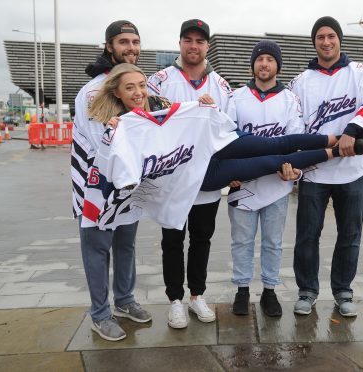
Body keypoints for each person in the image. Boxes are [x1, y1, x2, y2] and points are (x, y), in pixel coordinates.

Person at [83, 63, 342, 230]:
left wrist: (205, 107)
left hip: (214, 147)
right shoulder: (118, 127)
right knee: (271, 163)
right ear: (117, 93)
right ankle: (334, 152)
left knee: (274, 144)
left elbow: (188, 114)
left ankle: (334, 140)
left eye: (141, 85)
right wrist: (114, 134)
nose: (138, 92)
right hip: (201, 175)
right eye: (130, 88)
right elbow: (115, 173)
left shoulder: (160, 103)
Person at [288, 16, 363, 317]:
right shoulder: (301, 81)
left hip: (352, 170)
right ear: (314, 42)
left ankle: (343, 290)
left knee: (349, 234)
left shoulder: (360, 72)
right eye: (320, 37)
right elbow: (293, 123)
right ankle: (307, 290)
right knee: (307, 235)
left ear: (339, 39)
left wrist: (351, 132)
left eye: (331, 36)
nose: (326, 42)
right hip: (315, 172)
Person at [147, 19, 232, 329]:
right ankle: (175, 300)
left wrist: (229, 172)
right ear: (179, 43)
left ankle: (197, 295)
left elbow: (228, 132)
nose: (193, 45)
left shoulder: (220, 85)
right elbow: (148, 122)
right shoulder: (158, 80)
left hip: (206, 179)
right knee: (172, 240)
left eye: (199, 40)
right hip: (171, 180)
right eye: (188, 39)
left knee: (202, 239)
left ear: (207, 46)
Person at [70, 20, 151, 342]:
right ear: (109, 47)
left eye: (134, 41)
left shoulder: (139, 84)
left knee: (126, 244)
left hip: (129, 183)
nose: (130, 47)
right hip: (96, 185)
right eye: (123, 42)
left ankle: (125, 300)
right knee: (97, 249)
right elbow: (102, 144)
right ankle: (100, 313)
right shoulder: (93, 90)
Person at [226, 40, 303, 317]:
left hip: (276, 184)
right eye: (260, 59)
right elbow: (225, 140)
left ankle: (270, 291)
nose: (264, 64)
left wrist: (294, 168)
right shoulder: (235, 97)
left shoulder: (290, 99)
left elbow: (295, 141)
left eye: (270, 59)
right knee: (241, 241)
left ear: (277, 66)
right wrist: (229, 172)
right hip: (243, 185)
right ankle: (242, 290)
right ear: (253, 64)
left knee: (273, 242)